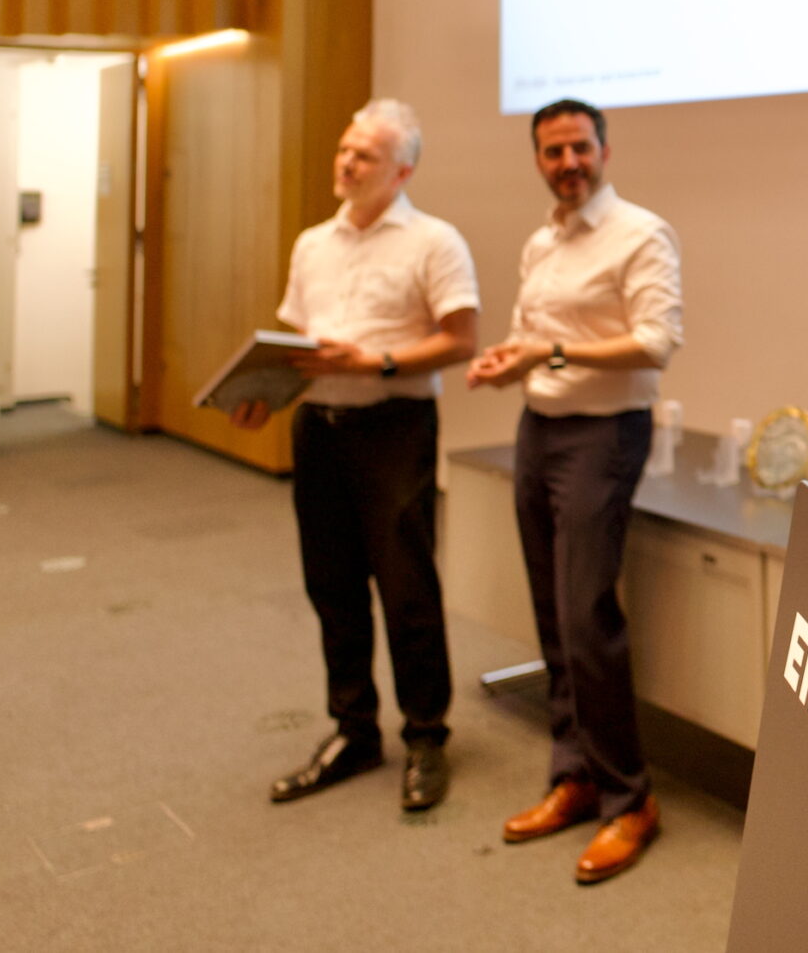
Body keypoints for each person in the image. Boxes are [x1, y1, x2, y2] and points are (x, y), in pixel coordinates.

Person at [235, 100, 479, 815]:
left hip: (393, 427)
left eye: (364, 155)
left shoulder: (435, 241)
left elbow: (461, 339)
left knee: (406, 589)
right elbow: (297, 348)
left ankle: (426, 735)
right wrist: (260, 395)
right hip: (319, 428)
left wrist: (375, 362)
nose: (346, 162)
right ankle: (354, 730)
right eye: (345, 149)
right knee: (331, 585)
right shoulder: (313, 243)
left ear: (401, 171)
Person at [467, 98, 682, 883]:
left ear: (604, 150)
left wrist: (548, 352)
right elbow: (536, 340)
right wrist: (509, 361)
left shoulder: (640, 233)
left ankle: (630, 799)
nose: (568, 162)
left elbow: (656, 342)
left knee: (588, 618)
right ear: (538, 159)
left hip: (604, 435)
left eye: (580, 147)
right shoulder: (542, 241)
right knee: (553, 615)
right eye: (553, 151)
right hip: (540, 430)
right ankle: (575, 772)